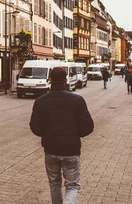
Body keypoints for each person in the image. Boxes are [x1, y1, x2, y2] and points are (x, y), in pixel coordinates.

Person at [30, 67, 94, 204]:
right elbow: (88, 126)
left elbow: (34, 126)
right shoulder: (77, 100)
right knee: (72, 186)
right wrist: (75, 134)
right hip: (71, 149)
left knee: (54, 184)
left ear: (50, 79)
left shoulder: (41, 100)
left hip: (51, 147)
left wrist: (47, 133)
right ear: (66, 80)